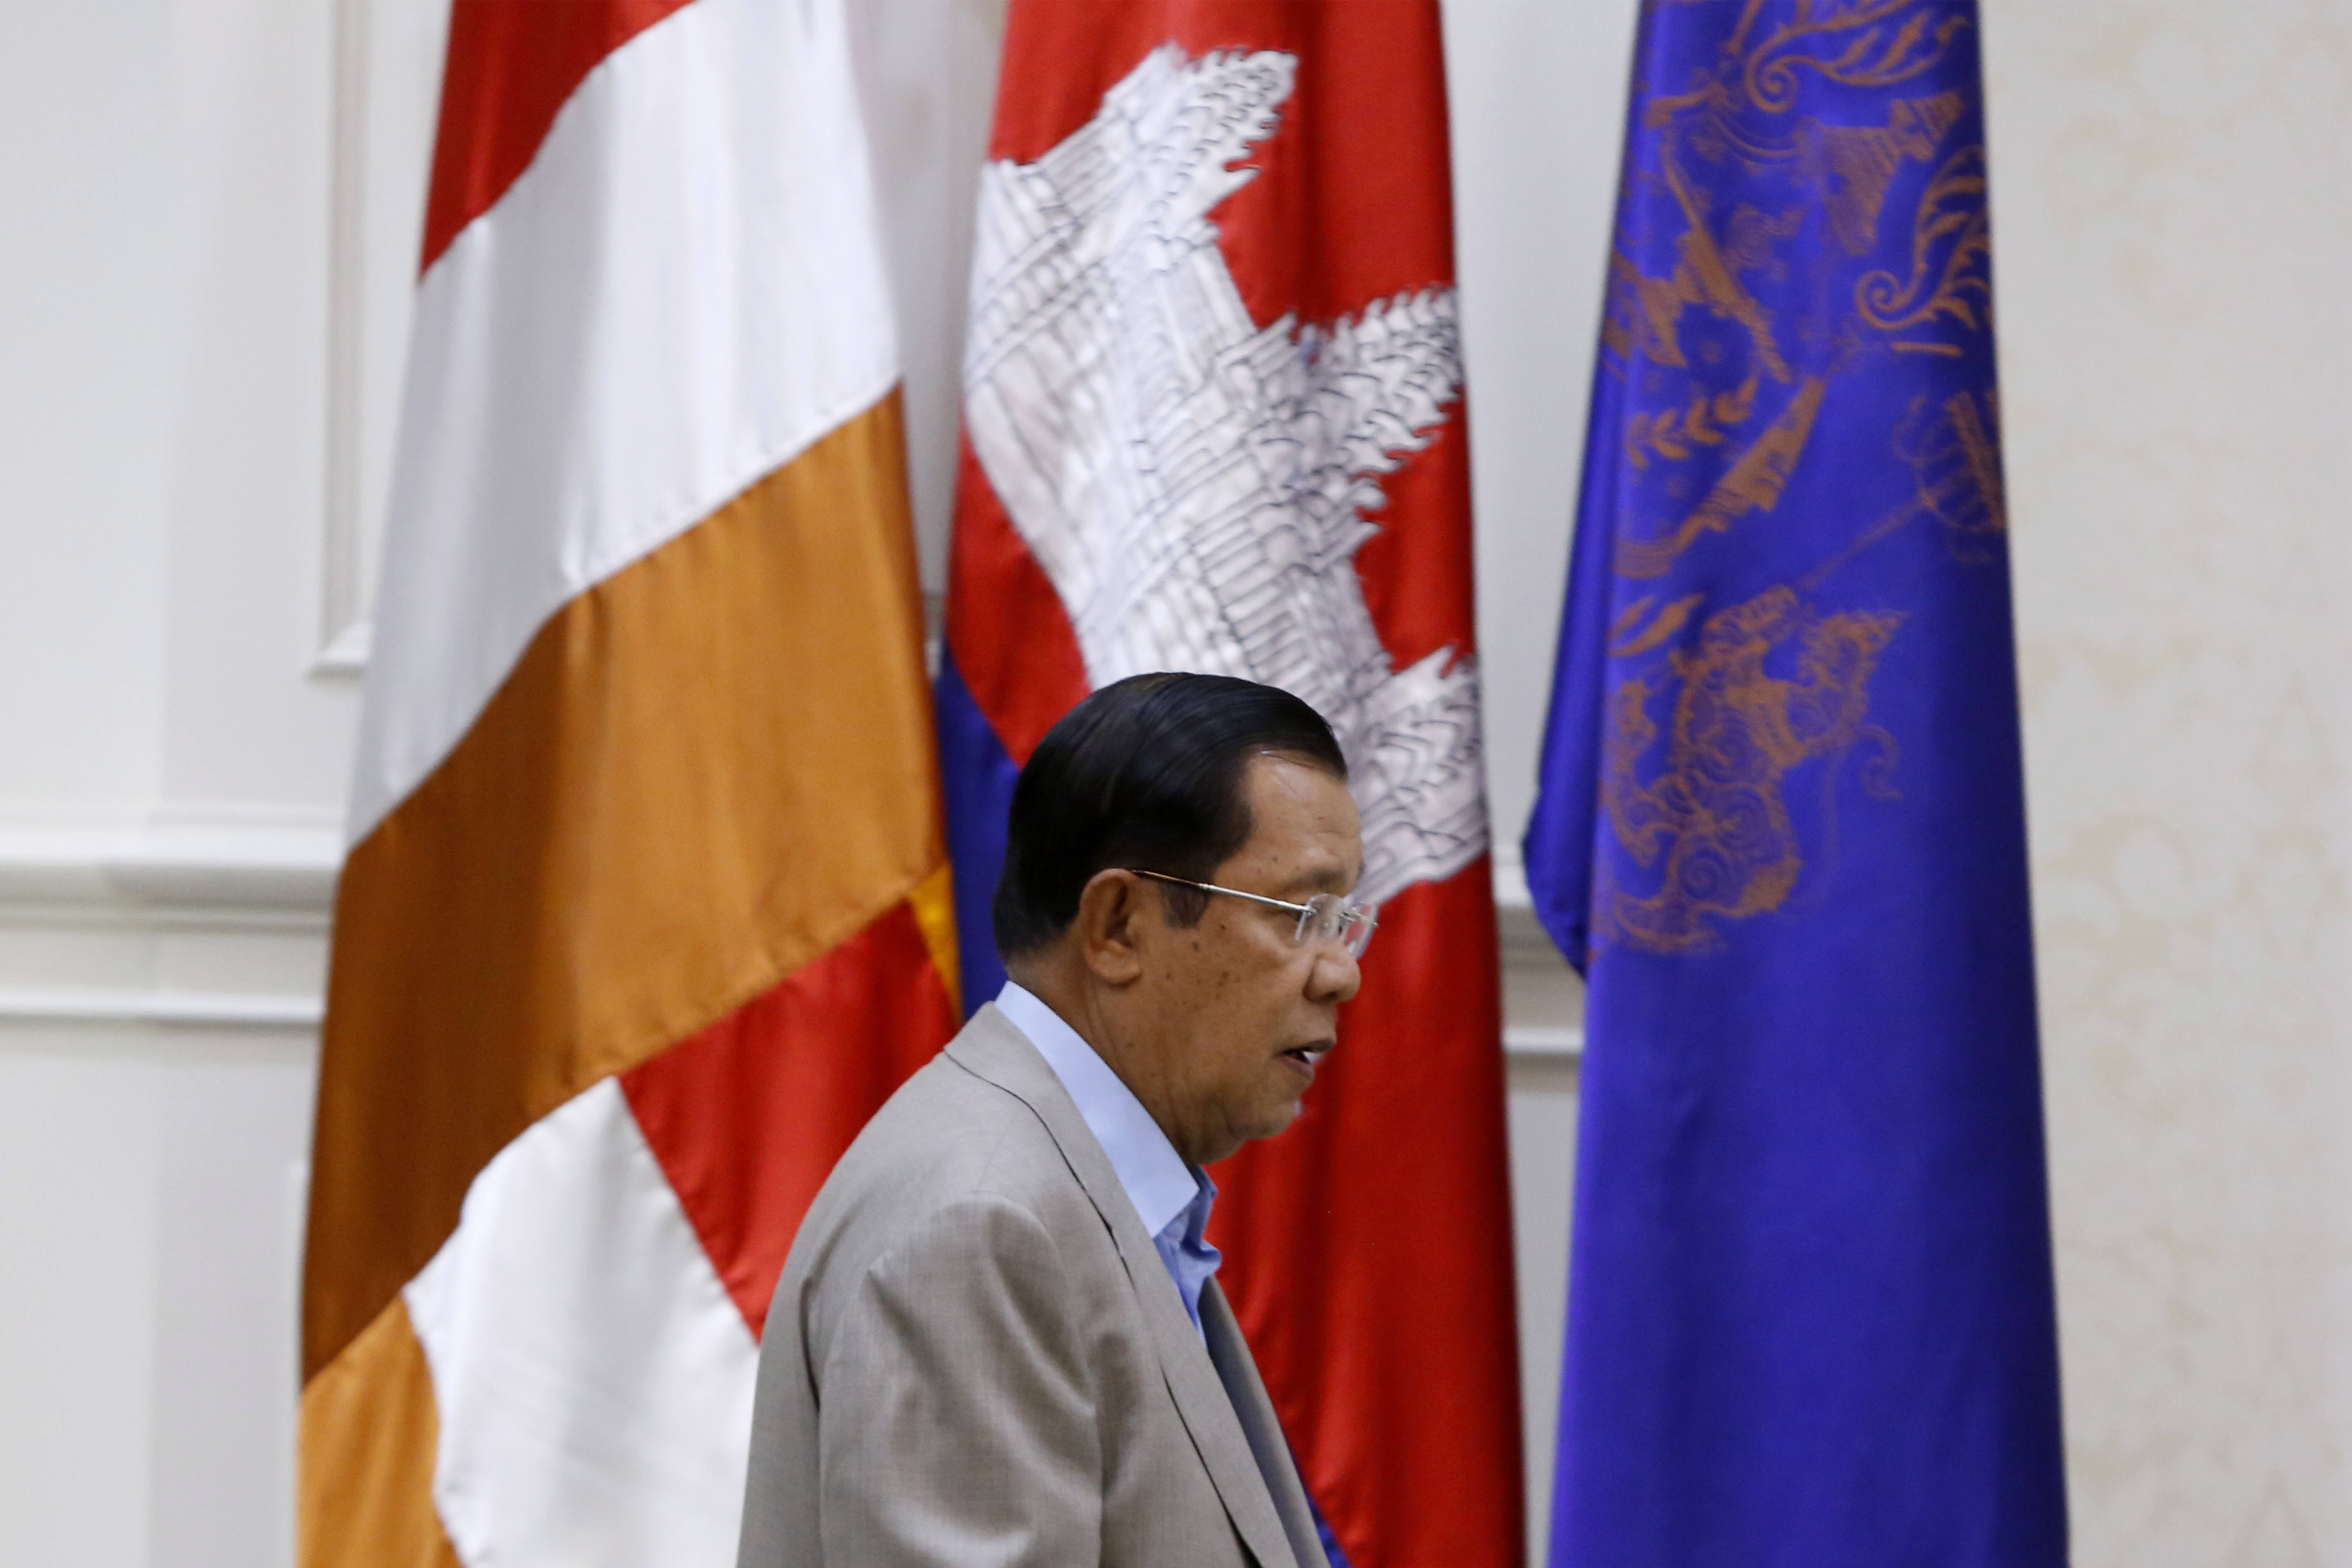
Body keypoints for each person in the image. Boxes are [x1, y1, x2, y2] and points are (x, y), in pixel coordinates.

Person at [737, 671, 1376, 1568]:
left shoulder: (1099, 1193)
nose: (1340, 971)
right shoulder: (982, 1225)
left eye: (1346, 919)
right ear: (1118, 924)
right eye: (1301, 915)